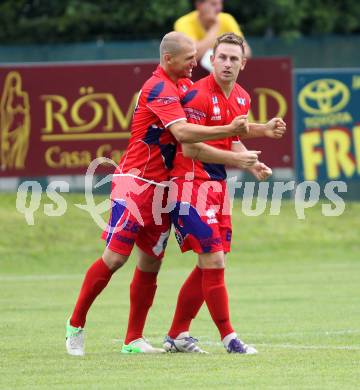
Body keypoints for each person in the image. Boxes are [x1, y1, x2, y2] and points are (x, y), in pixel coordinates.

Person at [65, 31, 258, 356]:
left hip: (164, 191)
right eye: (189, 59)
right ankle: (75, 324)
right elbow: (183, 134)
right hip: (135, 185)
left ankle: (133, 339)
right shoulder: (158, 88)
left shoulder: (184, 86)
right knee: (114, 259)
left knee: (151, 263)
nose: (196, 63)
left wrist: (256, 132)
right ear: (168, 60)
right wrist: (230, 132)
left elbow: (214, 125)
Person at [162, 33, 286, 354]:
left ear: (243, 64)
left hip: (216, 188)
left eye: (234, 58)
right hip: (188, 185)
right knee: (214, 259)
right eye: (222, 57)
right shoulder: (197, 95)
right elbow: (190, 147)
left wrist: (252, 163)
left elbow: (231, 137)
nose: (227, 63)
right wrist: (237, 159)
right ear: (211, 60)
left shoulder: (242, 98)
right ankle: (230, 338)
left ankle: (177, 334)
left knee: (210, 263)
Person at [174, 0, 251, 70]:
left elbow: (246, 51)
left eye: (220, 3)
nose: (219, 8)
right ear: (199, 5)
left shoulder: (227, 19)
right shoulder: (183, 22)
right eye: (213, 4)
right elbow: (192, 54)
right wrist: (215, 26)